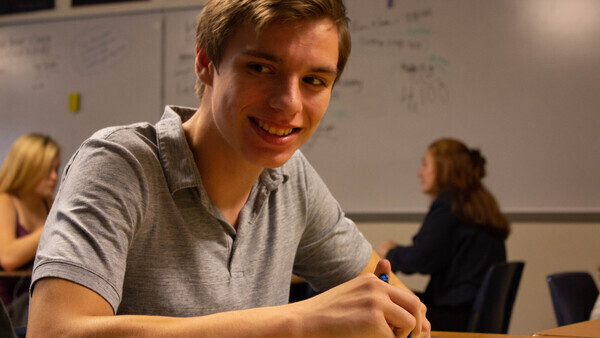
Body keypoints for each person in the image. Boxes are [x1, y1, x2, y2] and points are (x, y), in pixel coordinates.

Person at [28, 1, 430, 336]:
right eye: (260, 68)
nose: (289, 103)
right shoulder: (119, 164)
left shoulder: (293, 179)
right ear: (205, 62)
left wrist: (396, 314)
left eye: (314, 80)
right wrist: (295, 321)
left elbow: (392, 302)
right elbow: (53, 331)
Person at [379, 138, 509, 332]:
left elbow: (421, 259)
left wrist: (391, 253)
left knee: (380, 304)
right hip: (471, 314)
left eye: (425, 164)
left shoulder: (450, 204)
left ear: (444, 167)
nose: (419, 173)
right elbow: (435, 251)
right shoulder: (480, 203)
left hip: (453, 316)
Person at [0, 133, 60, 327]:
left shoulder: (49, 205)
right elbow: (8, 257)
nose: (54, 177)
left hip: (40, 304)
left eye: (56, 169)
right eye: (46, 170)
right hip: (10, 313)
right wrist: (51, 226)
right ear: (27, 169)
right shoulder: (5, 200)